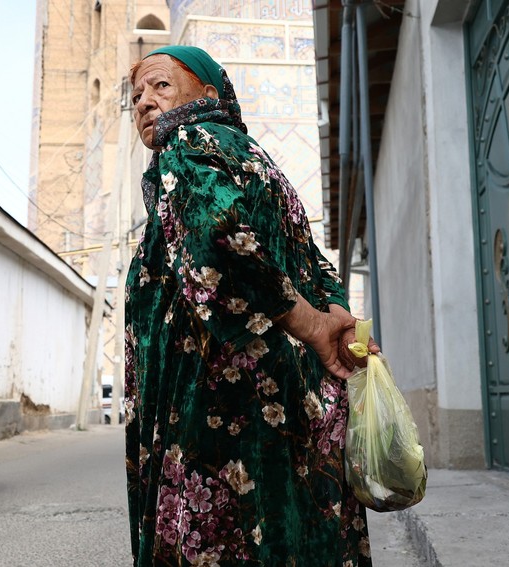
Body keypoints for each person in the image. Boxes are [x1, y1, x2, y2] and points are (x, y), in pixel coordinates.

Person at [124, 46, 380, 566]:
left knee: (228, 531)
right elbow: (311, 261)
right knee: (289, 515)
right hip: (286, 387)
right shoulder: (258, 160)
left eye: (161, 87)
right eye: (136, 96)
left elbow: (221, 243)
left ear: (209, 96)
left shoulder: (188, 143)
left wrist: (312, 323)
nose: (145, 103)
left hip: (220, 392)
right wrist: (339, 320)